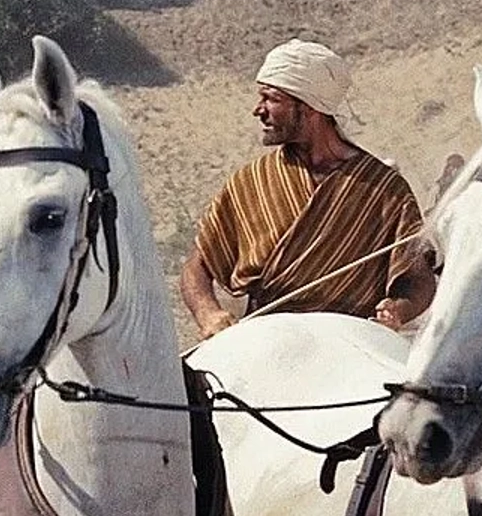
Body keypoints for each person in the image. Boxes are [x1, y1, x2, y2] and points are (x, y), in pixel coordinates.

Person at [180, 39, 434, 338]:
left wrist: (397, 309)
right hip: (262, 336)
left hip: (350, 340)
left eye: (270, 99)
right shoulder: (251, 181)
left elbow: (419, 278)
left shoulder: (386, 191)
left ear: (309, 107)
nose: (257, 110)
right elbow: (196, 266)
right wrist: (208, 313)